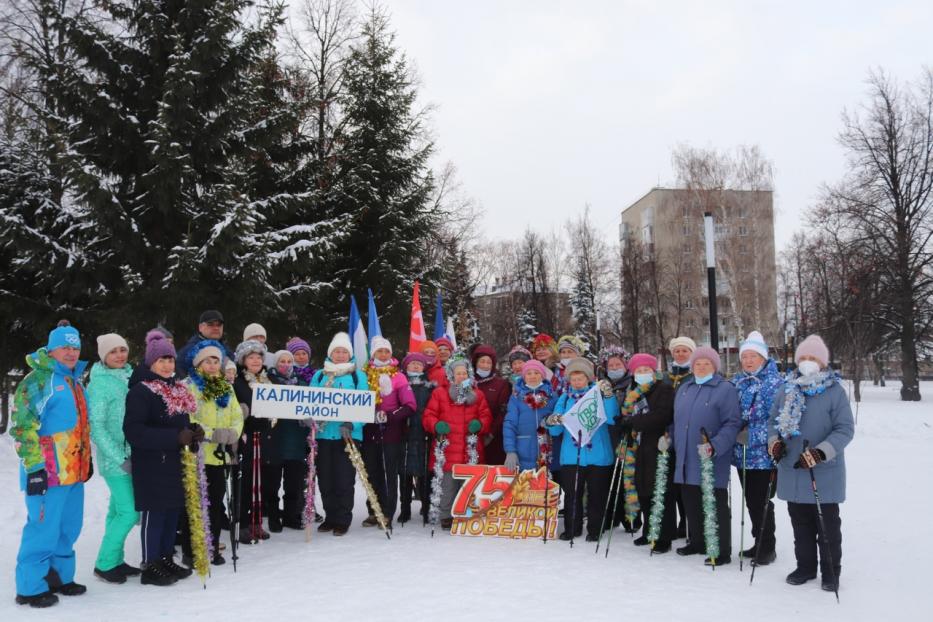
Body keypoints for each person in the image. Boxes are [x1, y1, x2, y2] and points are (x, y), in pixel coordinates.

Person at [12, 323, 93, 608]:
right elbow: (22, 428)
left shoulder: (75, 381)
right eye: (65, 348)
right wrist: (34, 469)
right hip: (46, 473)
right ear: (52, 349)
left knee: (68, 528)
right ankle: (30, 587)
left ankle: (59, 577)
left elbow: (80, 427)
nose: (71, 353)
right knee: (42, 529)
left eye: (75, 348)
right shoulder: (38, 380)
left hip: (73, 472)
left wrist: (87, 460)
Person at [768, 335, 854, 592]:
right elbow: (773, 421)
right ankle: (805, 567)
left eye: (813, 358)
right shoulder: (786, 389)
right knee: (800, 525)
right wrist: (775, 442)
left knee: (827, 527)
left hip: (822, 472)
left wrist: (820, 453)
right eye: (803, 358)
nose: (807, 362)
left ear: (823, 363)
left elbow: (845, 429)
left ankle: (830, 572)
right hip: (793, 470)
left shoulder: (834, 391)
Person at [123, 331, 203, 587]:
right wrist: (174, 438)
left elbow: (180, 422)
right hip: (153, 464)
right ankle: (150, 563)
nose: (168, 365)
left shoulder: (176, 388)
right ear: (151, 363)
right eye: (162, 360)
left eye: (170, 359)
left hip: (176, 463)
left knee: (172, 512)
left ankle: (166, 557)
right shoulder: (141, 391)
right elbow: (134, 431)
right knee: (155, 513)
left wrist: (193, 431)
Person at [669, 346, 742, 566]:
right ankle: (698, 541)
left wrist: (715, 445)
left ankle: (721, 549)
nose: (701, 367)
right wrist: (670, 438)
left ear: (715, 366)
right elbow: (676, 419)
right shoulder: (685, 387)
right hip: (685, 456)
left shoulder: (724, 389)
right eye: (698, 364)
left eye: (706, 364)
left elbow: (733, 423)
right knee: (691, 501)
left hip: (711, 457)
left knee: (714, 503)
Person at [183, 340, 242, 565]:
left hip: (220, 454)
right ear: (199, 363)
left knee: (216, 504)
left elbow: (236, 414)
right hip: (199, 453)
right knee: (197, 504)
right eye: (208, 360)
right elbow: (189, 418)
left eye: (216, 360)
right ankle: (192, 550)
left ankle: (212, 546)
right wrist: (211, 433)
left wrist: (232, 433)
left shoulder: (225, 386)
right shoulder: (189, 386)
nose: (212, 364)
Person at [546, 358, 618, 541]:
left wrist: (609, 396)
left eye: (581, 378)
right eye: (573, 378)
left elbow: (612, 418)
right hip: (572, 455)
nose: (577, 382)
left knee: (597, 495)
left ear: (588, 378)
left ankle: (595, 529)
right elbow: (555, 430)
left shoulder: (598, 395)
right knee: (572, 494)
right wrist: (553, 421)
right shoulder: (564, 398)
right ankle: (572, 528)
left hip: (598, 454)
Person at [88, 333, 139, 584]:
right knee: (130, 512)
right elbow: (96, 427)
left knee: (117, 510)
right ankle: (105, 563)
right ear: (103, 356)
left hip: (131, 454)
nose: (120, 355)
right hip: (116, 460)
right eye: (113, 352)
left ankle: (115, 559)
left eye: (122, 349)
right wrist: (119, 457)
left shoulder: (129, 376)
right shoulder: (99, 384)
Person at [731, 331, 784, 566]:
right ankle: (757, 541)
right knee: (750, 500)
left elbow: (779, 420)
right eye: (745, 357)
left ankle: (767, 546)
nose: (748, 361)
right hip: (742, 454)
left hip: (763, 455)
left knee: (760, 500)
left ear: (763, 358)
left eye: (753, 356)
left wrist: (752, 435)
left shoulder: (775, 383)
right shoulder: (738, 381)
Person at [423, 357, 493, 530]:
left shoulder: (478, 394)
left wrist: (481, 424)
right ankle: (446, 516)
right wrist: (436, 425)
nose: (461, 376)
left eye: (464, 373)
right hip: (447, 449)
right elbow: (428, 416)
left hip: (470, 449)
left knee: (468, 485)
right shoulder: (440, 393)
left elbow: (486, 415)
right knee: (448, 485)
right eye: (458, 373)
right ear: (451, 375)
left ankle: (467, 513)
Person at [311, 333, 368, 536]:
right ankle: (330, 516)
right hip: (324, 436)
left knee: (344, 480)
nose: (341, 355)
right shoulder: (319, 375)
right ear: (330, 353)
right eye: (337, 351)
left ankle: (343, 519)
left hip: (348, 436)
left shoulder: (357, 376)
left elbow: (365, 406)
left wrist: (353, 424)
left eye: (344, 352)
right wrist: (309, 419)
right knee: (326, 479)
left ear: (350, 354)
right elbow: (310, 403)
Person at [620, 353, 676, 553]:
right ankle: (649, 530)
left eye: (646, 370)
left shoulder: (664, 389)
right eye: (639, 371)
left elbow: (661, 416)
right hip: (639, 447)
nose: (642, 374)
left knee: (660, 491)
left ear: (654, 372)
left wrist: (633, 422)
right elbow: (626, 415)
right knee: (643, 490)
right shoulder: (634, 392)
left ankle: (664, 536)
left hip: (658, 445)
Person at [362, 337, 415, 529]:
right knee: (372, 472)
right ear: (373, 354)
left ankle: (388, 513)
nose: (383, 355)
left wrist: (390, 416)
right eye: (379, 351)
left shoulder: (398, 376)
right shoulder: (364, 374)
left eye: (386, 351)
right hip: (369, 430)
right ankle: (375, 511)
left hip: (391, 431)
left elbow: (410, 405)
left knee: (389, 473)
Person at [231, 339, 274, 543]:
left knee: (261, 481)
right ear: (243, 360)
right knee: (246, 481)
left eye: (259, 357)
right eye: (251, 357)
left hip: (264, 437)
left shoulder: (268, 380)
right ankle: (243, 524)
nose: (256, 360)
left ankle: (257, 522)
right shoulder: (237, 381)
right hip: (247, 437)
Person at [266, 350, 310, 532]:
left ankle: (292, 516)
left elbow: (309, 406)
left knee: (294, 484)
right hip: (275, 441)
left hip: (296, 441)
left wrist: (307, 421)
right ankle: (274, 517)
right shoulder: (267, 382)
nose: (285, 364)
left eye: (288, 361)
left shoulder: (301, 383)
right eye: (281, 361)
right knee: (272, 484)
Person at [664, 335, 696, 537]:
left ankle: (688, 521)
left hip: (688, 436)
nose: (681, 354)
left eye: (685, 350)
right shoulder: (665, 377)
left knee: (687, 482)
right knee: (672, 484)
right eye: (677, 351)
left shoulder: (694, 376)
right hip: (668, 436)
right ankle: (676, 521)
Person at [399, 352, 436, 524]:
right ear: (406, 367)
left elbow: (433, 408)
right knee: (404, 474)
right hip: (404, 434)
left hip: (423, 434)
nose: (415, 366)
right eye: (412, 364)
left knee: (425, 474)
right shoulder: (400, 383)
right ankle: (404, 509)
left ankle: (426, 507)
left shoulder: (430, 387)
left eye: (419, 364)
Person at [503, 360, 556, 473]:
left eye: (536, 373)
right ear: (524, 376)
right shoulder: (516, 397)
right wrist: (510, 451)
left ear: (542, 375)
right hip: (523, 451)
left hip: (547, 453)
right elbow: (509, 424)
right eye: (529, 373)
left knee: (546, 489)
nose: (533, 376)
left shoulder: (552, 396)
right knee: (525, 488)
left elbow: (558, 423)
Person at [471, 344, 511, 466]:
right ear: (475, 363)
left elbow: (503, 411)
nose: (485, 365)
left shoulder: (501, 384)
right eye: (482, 361)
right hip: (470, 436)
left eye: (488, 362)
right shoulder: (467, 382)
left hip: (493, 438)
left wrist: (491, 433)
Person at [176, 310, 233, 377]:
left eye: (219, 325)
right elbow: (181, 374)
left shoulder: (226, 349)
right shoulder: (190, 350)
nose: (216, 328)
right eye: (211, 324)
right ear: (200, 327)